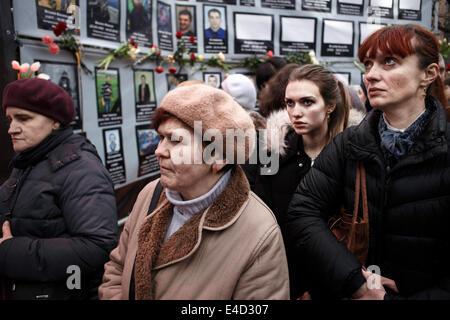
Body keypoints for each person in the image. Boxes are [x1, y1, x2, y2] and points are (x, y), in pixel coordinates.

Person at [285, 24, 450, 300]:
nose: (371, 75)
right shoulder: (348, 144)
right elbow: (302, 212)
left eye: (389, 62)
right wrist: (355, 282)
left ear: (429, 74)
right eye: (369, 64)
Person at [98, 84, 289, 300]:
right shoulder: (150, 194)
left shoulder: (259, 232)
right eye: (161, 138)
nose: (159, 151)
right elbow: (117, 268)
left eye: (176, 140)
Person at [0, 78, 118, 300]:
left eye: (23, 119)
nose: (12, 129)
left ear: (55, 122)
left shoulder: (81, 169)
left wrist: (9, 252)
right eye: (10, 119)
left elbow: (97, 246)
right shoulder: (30, 160)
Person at [251, 64, 352, 299]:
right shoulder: (273, 154)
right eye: (289, 103)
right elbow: (265, 225)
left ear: (330, 106)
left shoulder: (352, 156)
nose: (296, 112)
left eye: (307, 102)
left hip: (337, 283)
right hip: (282, 280)